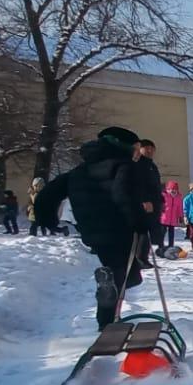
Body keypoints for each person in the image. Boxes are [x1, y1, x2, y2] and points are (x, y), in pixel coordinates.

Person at [33, 126, 156, 330]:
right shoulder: (124, 166)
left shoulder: (81, 169)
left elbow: (48, 194)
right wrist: (140, 222)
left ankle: (107, 313)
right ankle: (108, 313)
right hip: (119, 227)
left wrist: (46, 219)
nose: (137, 152)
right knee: (128, 274)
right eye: (135, 147)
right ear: (123, 146)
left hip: (91, 230)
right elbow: (122, 195)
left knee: (117, 270)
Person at [133, 139, 164, 246]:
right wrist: (144, 200)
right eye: (147, 148)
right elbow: (138, 184)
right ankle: (142, 252)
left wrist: (162, 200)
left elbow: (156, 185)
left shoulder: (152, 166)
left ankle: (158, 248)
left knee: (156, 230)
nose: (150, 151)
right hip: (145, 204)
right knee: (143, 232)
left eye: (152, 149)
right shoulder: (138, 164)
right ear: (140, 149)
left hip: (155, 203)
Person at [158, 181, 183, 250]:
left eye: (175, 189)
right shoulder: (164, 196)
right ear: (168, 189)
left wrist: (180, 216)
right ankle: (160, 245)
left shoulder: (178, 197)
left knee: (171, 233)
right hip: (164, 218)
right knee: (162, 232)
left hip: (173, 218)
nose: (173, 191)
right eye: (172, 189)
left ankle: (171, 245)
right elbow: (160, 205)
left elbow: (180, 208)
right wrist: (160, 212)